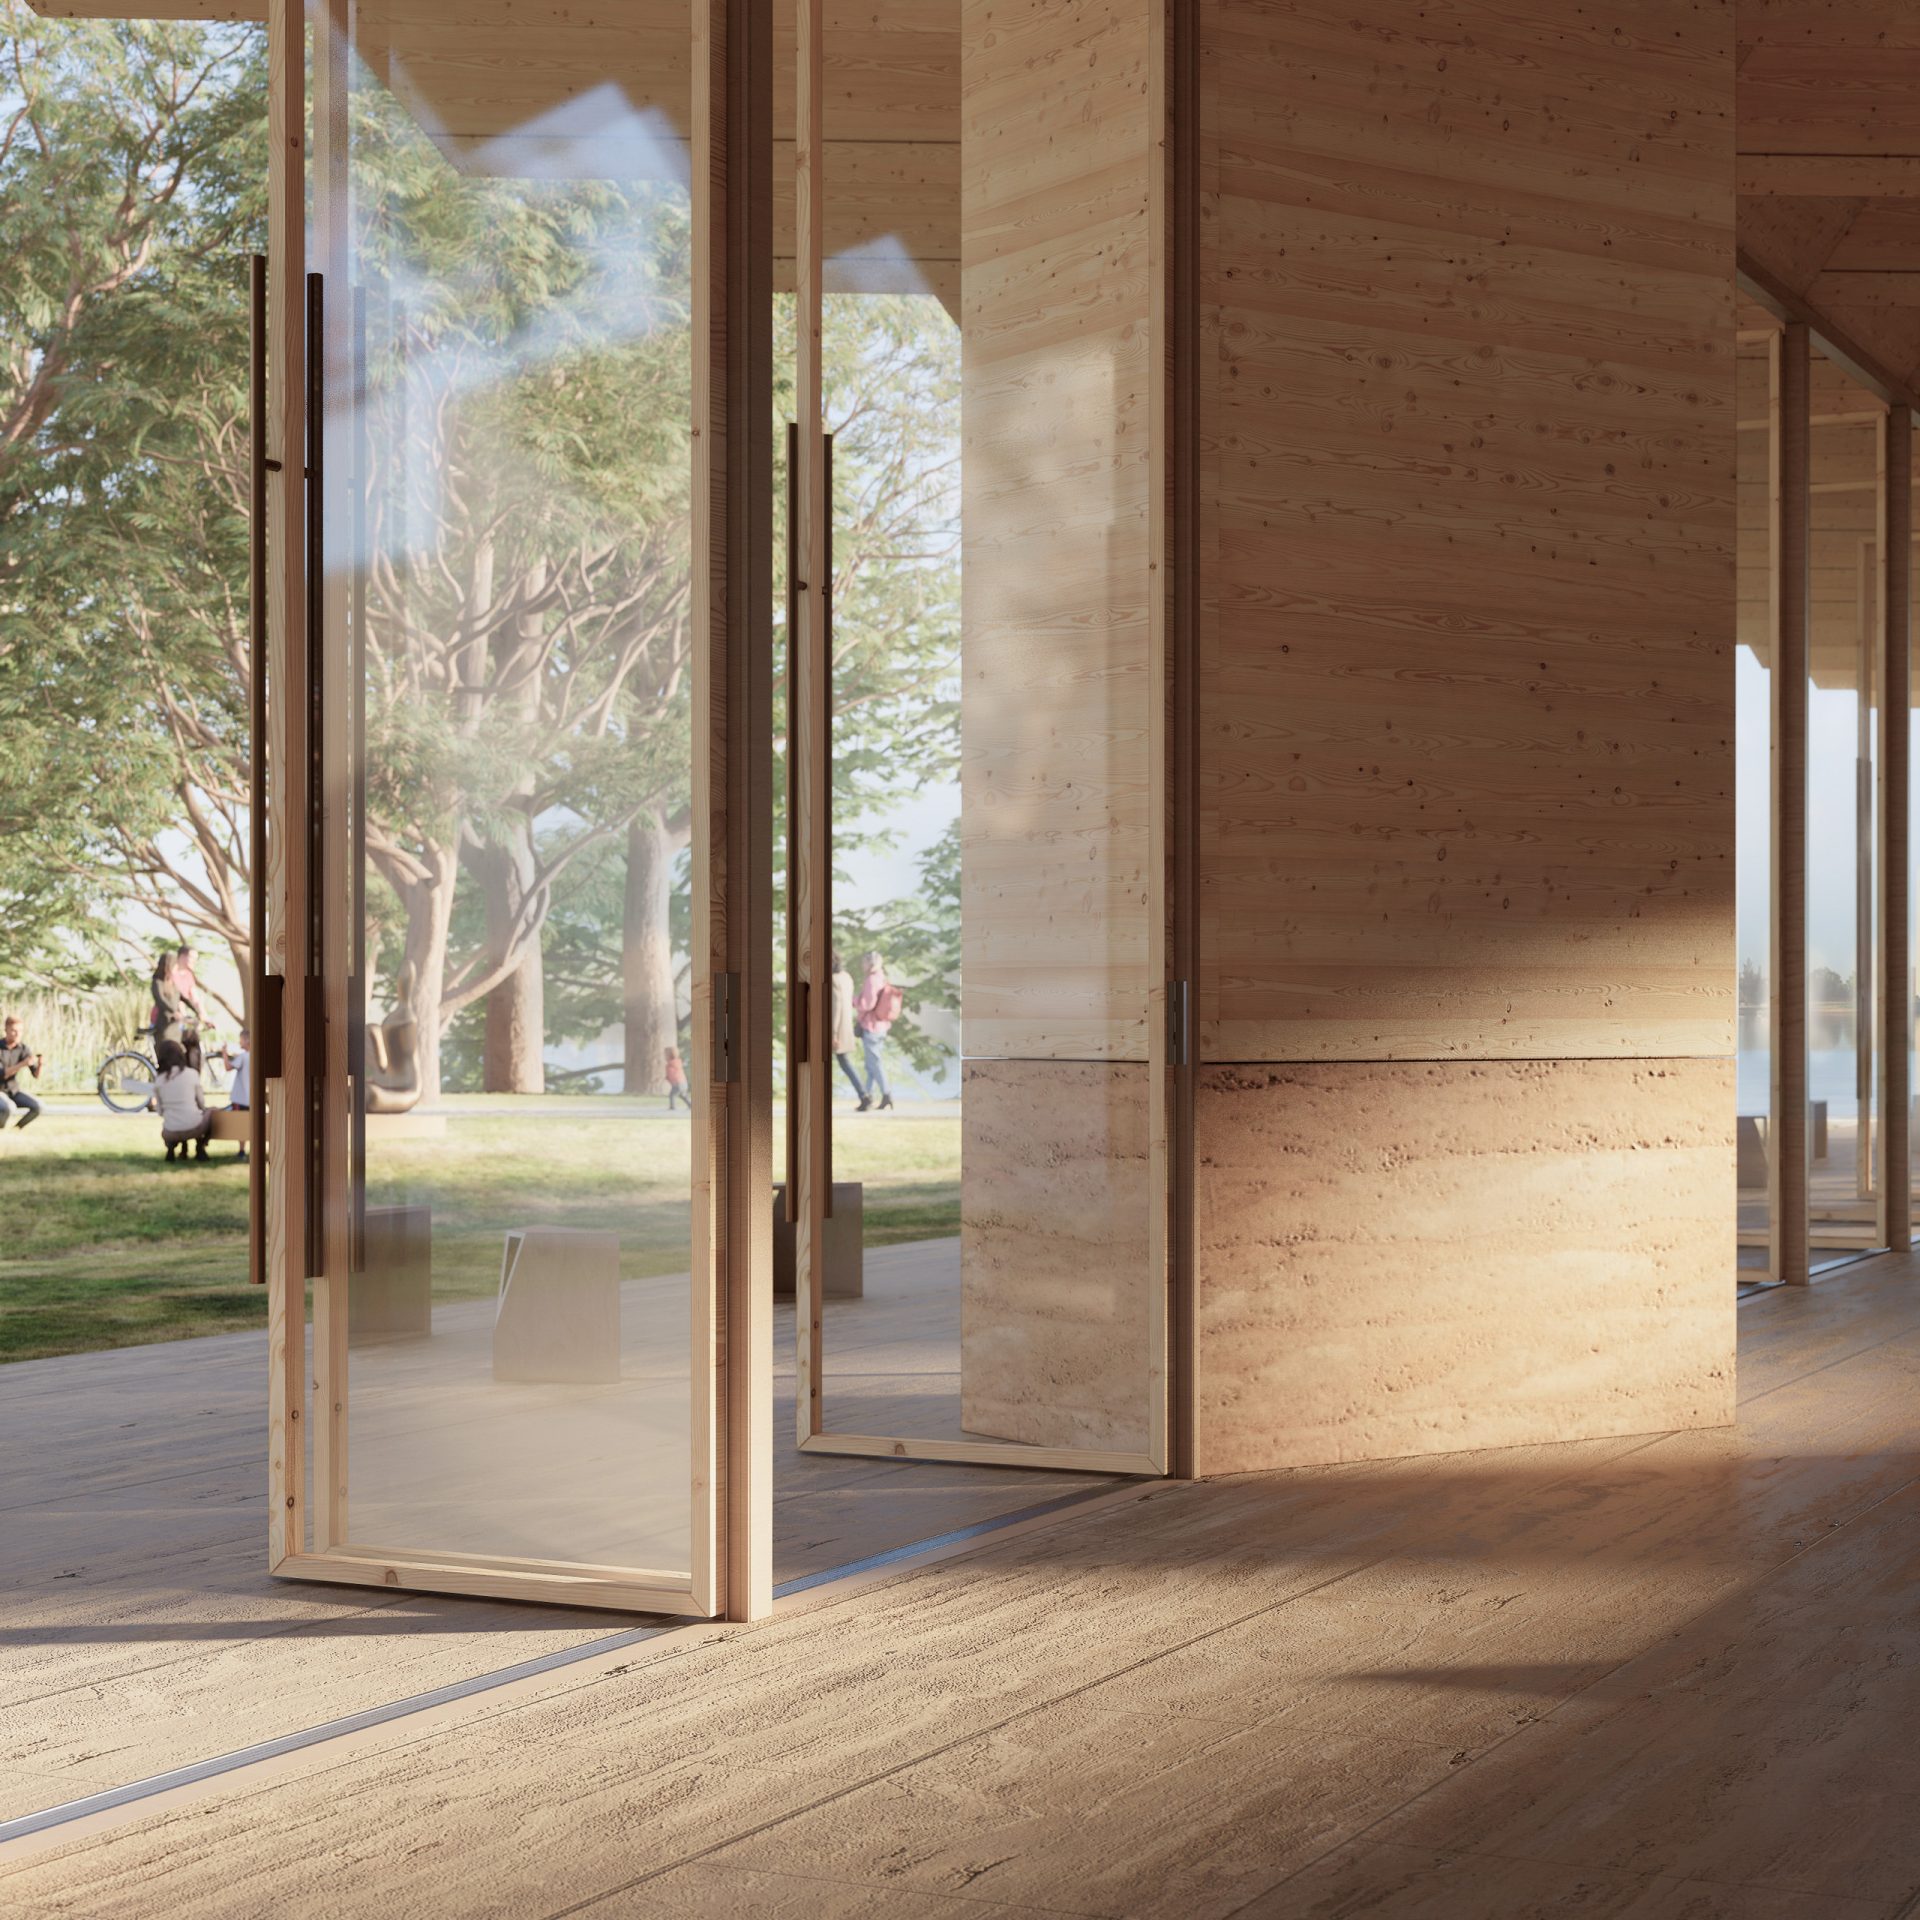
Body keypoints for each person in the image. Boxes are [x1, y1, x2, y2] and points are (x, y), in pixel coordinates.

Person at [148, 1037, 212, 1162]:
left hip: (170, 1131)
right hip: (194, 1128)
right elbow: (201, 1103)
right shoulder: (191, 1074)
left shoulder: (159, 1080)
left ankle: (172, 1149)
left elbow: (160, 1111)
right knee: (211, 1112)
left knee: (176, 1117)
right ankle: (200, 1147)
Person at [853, 950, 900, 1112]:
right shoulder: (881, 977)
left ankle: (886, 1094)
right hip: (881, 1026)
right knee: (871, 1064)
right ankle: (868, 1097)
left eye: (864, 962)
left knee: (875, 1063)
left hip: (872, 1027)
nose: (862, 965)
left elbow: (867, 1004)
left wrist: (853, 1000)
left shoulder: (872, 980)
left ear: (870, 963)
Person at [829, 950, 867, 1109]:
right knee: (845, 1062)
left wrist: (833, 1033)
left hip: (835, 1029)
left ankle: (864, 1095)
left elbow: (836, 1007)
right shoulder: (846, 977)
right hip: (846, 1026)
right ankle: (864, 1095)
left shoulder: (832, 979)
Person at [0, 1016, 45, 1130]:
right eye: (14, 1030)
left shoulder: (23, 1048)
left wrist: (40, 1064)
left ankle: (16, 1129)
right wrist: (22, 1064)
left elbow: (36, 1075)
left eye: (20, 1031)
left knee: (38, 1106)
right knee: (8, 1107)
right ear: (6, 1030)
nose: (17, 1034)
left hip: (13, 1090)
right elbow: (2, 1074)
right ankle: (2, 1130)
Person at [222, 1027, 252, 1162]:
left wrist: (224, 1053)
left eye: (241, 1040)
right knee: (249, 1124)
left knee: (240, 1124)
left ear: (247, 1040)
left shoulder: (243, 1057)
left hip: (241, 1098)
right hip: (252, 1098)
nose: (240, 1043)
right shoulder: (254, 1057)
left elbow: (228, 1067)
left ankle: (241, 1150)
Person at [150, 949, 185, 1045]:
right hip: (161, 1023)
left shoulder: (172, 983)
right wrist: (173, 1012)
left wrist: (198, 1012)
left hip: (173, 1023)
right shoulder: (157, 982)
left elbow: (183, 997)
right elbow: (161, 1000)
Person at [664, 1044, 691, 1113]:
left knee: (672, 1095)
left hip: (678, 1084)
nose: (664, 1056)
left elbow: (672, 1074)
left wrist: (667, 1078)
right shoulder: (678, 1062)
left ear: (669, 1055)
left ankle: (672, 1107)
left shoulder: (670, 1064)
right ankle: (691, 1105)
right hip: (684, 1083)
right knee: (683, 1095)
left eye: (665, 1054)